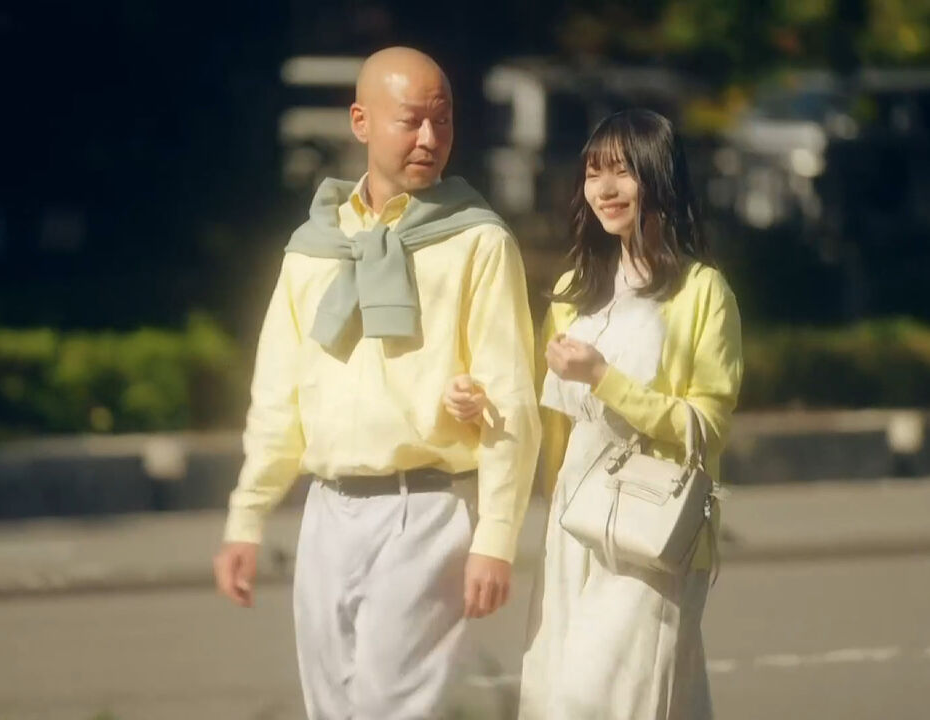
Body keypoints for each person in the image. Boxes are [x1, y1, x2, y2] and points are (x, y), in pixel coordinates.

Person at [213, 47, 541, 719]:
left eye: (443, 120)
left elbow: (511, 399)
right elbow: (277, 396)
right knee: (331, 709)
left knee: (393, 709)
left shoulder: (479, 242)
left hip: (425, 511)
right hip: (327, 513)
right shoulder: (314, 247)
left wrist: (496, 537)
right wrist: (247, 518)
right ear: (360, 122)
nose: (430, 138)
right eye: (411, 120)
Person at [445, 109, 743, 719]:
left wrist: (605, 378)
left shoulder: (702, 292)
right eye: (592, 173)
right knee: (568, 691)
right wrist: (480, 405)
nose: (604, 189)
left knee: (605, 699)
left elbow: (705, 427)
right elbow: (541, 413)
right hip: (574, 520)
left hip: (653, 525)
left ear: (658, 177)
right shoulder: (572, 292)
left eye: (622, 172)